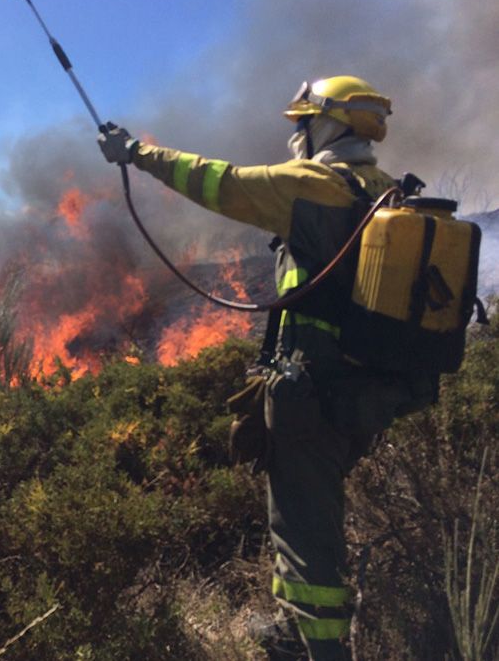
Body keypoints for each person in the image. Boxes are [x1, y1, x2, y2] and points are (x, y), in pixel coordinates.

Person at [98, 75, 436, 660]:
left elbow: (218, 182)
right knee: (304, 515)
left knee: (307, 536)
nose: (294, 137)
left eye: (301, 123)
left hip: (313, 387)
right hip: (366, 390)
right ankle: (289, 631)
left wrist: (136, 154)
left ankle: (320, 647)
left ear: (326, 124)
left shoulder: (312, 184)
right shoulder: (387, 192)